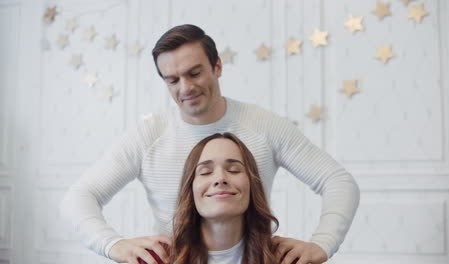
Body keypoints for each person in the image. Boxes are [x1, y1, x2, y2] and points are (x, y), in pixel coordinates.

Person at [60, 24, 360, 264]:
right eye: (172, 80)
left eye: (194, 73)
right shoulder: (148, 135)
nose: (186, 88)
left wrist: (322, 245)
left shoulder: (264, 126)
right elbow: (79, 197)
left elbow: (337, 181)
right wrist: (114, 245)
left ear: (217, 66)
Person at [171, 132, 278, 264]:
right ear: (190, 188)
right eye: (205, 172)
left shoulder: (286, 258)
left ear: (252, 185)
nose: (220, 178)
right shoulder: (155, 259)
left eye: (234, 170)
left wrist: (312, 249)